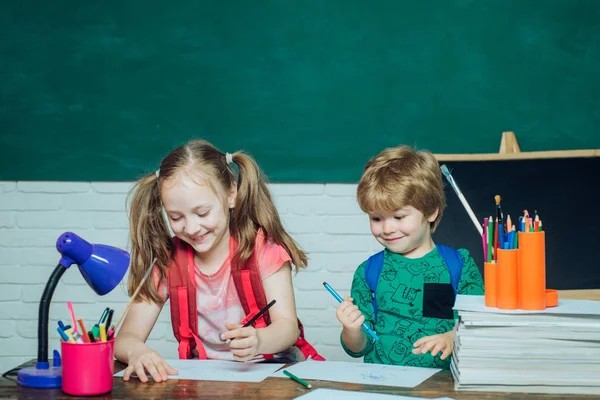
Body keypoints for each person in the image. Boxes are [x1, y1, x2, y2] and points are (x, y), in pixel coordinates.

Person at [115, 139, 322, 383]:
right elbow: (125, 337)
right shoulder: (167, 260)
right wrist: (137, 351)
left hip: (273, 374)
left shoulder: (264, 249)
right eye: (176, 217)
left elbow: (288, 328)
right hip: (206, 380)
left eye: (202, 213)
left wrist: (259, 341)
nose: (191, 228)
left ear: (231, 194)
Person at [335, 145, 484, 368]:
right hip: (383, 386)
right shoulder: (368, 271)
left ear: (431, 211)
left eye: (398, 216)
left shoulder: (458, 266)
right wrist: (351, 329)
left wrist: (454, 337)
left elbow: (479, 326)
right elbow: (359, 348)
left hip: (441, 386)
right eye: (376, 219)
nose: (387, 228)